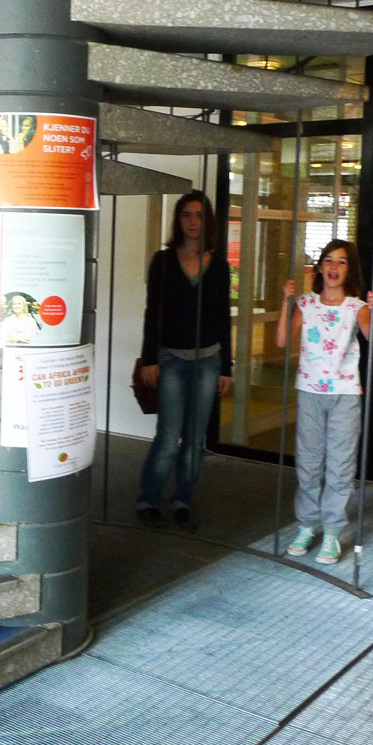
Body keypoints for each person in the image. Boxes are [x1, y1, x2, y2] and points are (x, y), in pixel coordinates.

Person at [276, 239, 373, 565]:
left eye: (342, 261)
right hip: (309, 392)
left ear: (349, 270)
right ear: (320, 267)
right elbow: (281, 341)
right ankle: (308, 525)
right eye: (329, 260)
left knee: (340, 466)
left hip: (345, 394)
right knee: (308, 464)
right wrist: (285, 303)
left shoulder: (356, 306)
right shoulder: (306, 303)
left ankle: (333, 533)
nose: (334, 267)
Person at [135, 191, 233, 528]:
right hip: (171, 360)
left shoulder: (220, 267)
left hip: (209, 361)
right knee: (168, 436)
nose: (193, 222)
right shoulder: (163, 261)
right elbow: (152, 313)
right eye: (187, 215)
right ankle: (148, 498)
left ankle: (182, 498)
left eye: (200, 215)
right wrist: (150, 358)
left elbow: (223, 318)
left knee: (195, 439)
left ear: (208, 222)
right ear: (178, 220)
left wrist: (226, 366)